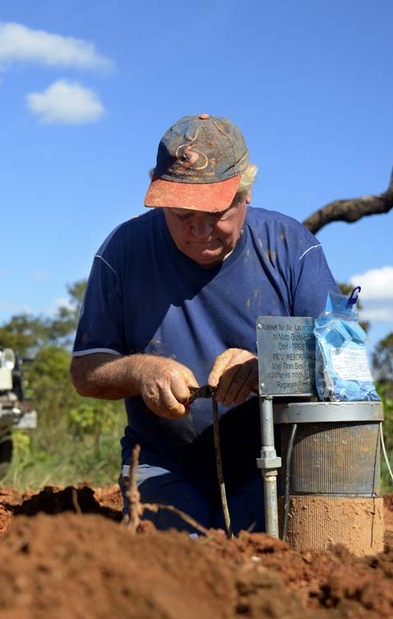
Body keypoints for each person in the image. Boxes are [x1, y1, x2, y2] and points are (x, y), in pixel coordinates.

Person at [70, 113, 339, 535]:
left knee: (265, 564)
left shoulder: (292, 246)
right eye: (180, 214)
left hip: (270, 459)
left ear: (245, 195)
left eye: (215, 212)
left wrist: (266, 366)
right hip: (163, 464)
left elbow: (343, 361)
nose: (199, 229)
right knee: (177, 576)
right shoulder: (123, 251)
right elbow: (85, 372)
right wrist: (142, 370)